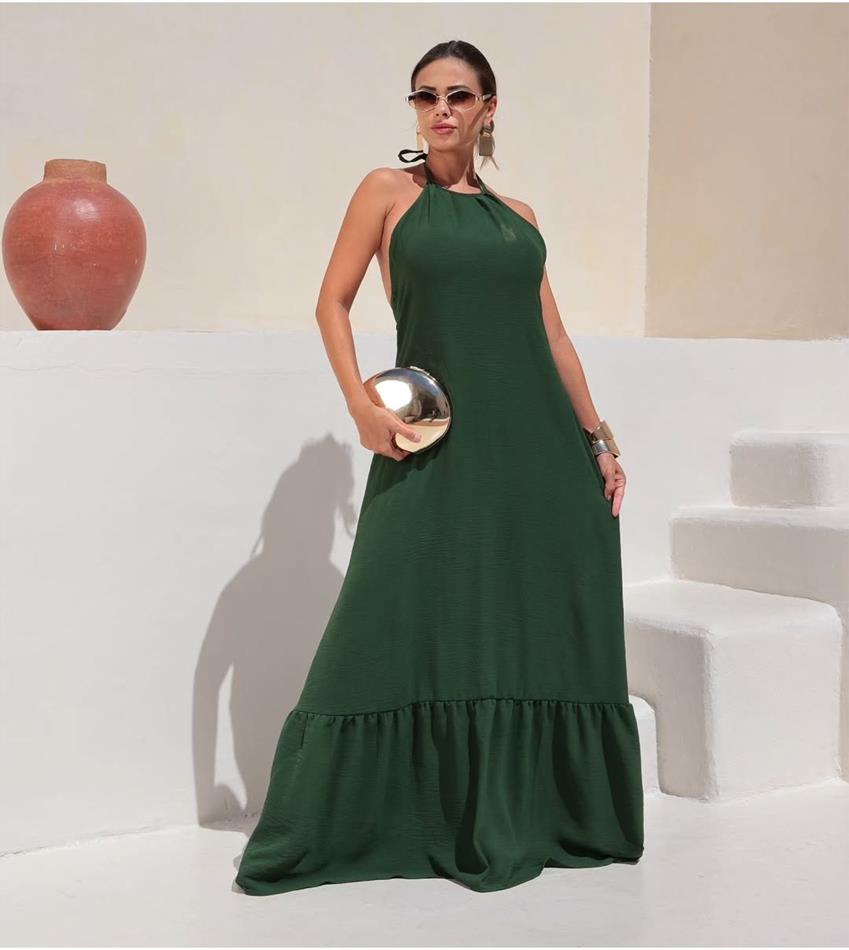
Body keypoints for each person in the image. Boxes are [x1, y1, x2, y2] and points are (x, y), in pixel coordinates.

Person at [234, 39, 644, 896]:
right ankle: (374, 814)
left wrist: (598, 441)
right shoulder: (388, 194)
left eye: (458, 95)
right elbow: (331, 301)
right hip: (442, 441)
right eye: (425, 96)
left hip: (537, 449)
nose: (441, 110)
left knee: (529, 617)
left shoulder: (518, 218)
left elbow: (553, 338)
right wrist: (359, 403)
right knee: (396, 612)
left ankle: (535, 808)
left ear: (488, 108)